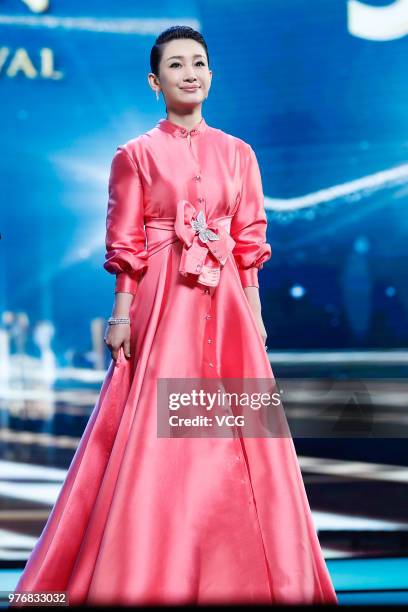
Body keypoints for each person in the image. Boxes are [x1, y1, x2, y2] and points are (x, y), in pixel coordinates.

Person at [12, 26, 338, 606]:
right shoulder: (134, 155)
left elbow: (249, 238)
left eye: (200, 63)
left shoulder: (239, 154)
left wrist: (255, 311)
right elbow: (126, 242)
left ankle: (251, 577)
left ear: (210, 74)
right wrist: (121, 315)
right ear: (154, 81)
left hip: (231, 305)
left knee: (243, 437)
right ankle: (145, 567)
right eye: (177, 64)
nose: (191, 73)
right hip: (164, 301)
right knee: (158, 435)